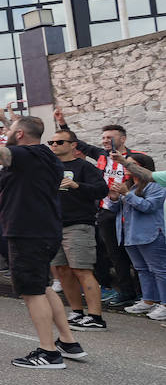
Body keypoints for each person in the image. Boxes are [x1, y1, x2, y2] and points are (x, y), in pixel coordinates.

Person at [0, 107, 84, 368]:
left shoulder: (26, 153)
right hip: (44, 229)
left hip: (28, 231)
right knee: (43, 287)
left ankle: (48, 352)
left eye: (10, 132)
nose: (5, 135)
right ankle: (68, 342)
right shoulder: (46, 155)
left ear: (21, 134)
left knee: (32, 292)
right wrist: (9, 119)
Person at [55, 111, 140, 307]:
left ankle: (144, 294)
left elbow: (143, 177)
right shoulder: (101, 155)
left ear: (123, 139)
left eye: (109, 137)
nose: (105, 141)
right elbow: (77, 143)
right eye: (102, 137)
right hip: (105, 210)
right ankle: (120, 290)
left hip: (129, 210)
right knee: (109, 253)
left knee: (133, 253)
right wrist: (62, 124)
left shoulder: (135, 157)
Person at [45, 129, 110, 330]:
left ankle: (96, 317)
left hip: (78, 224)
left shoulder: (84, 167)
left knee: (82, 270)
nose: (54, 145)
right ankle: (76, 312)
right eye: (51, 142)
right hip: (54, 226)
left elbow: (102, 190)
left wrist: (76, 185)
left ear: (73, 145)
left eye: (59, 142)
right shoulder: (48, 168)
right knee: (62, 271)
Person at [106, 153, 166, 322]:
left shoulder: (156, 185)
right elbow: (115, 209)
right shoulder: (130, 186)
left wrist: (127, 194)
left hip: (151, 234)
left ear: (143, 167)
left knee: (160, 270)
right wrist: (114, 198)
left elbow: (149, 207)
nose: (127, 167)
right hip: (130, 235)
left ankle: (165, 304)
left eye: (132, 164)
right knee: (142, 270)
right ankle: (148, 300)